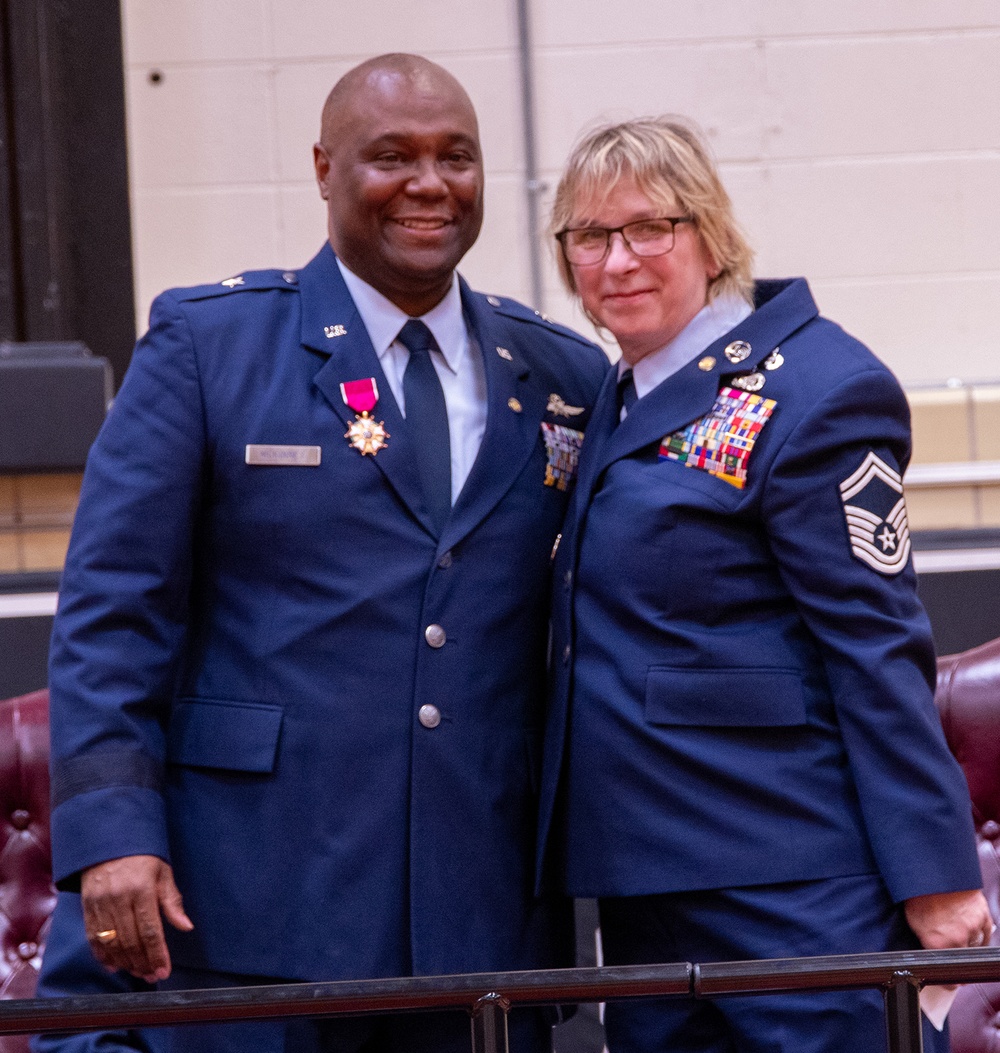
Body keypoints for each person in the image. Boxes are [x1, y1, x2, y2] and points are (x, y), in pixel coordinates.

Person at [42, 53, 608, 1053]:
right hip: (254, 899)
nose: (429, 185)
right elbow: (112, 608)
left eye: (456, 158)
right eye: (391, 156)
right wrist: (112, 832)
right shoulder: (211, 346)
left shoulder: (559, 371)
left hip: (476, 914)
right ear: (323, 169)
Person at [536, 115, 992, 1053]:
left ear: (709, 234)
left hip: (793, 878)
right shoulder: (609, 395)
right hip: (645, 885)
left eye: (648, 228)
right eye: (590, 237)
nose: (618, 261)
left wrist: (937, 875)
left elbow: (876, 647)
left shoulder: (818, 387)